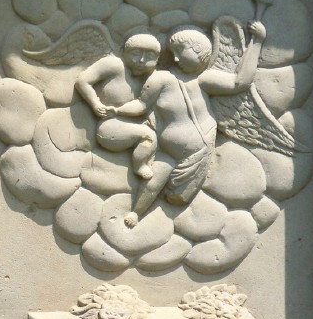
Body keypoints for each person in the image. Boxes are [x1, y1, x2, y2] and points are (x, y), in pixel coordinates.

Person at [115, 20, 266, 228]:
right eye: (173, 53)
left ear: (200, 51)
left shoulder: (204, 80)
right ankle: (136, 212)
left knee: (180, 197)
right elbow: (141, 105)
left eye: (180, 51)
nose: (175, 58)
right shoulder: (161, 78)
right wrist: (116, 110)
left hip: (199, 153)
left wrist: (257, 41)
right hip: (167, 151)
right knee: (153, 182)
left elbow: (240, 82)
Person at [74, 31, 161, 179]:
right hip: (110, 126)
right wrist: (95, 103)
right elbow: (83, 81)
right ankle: (139, 166)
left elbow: (144, 105)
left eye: (149, 56)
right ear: (125, 52)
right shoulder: (114, 64)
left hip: (134, 123)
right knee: (148, 136)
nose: (141, 60)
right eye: (136, 53)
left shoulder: (152, 78)